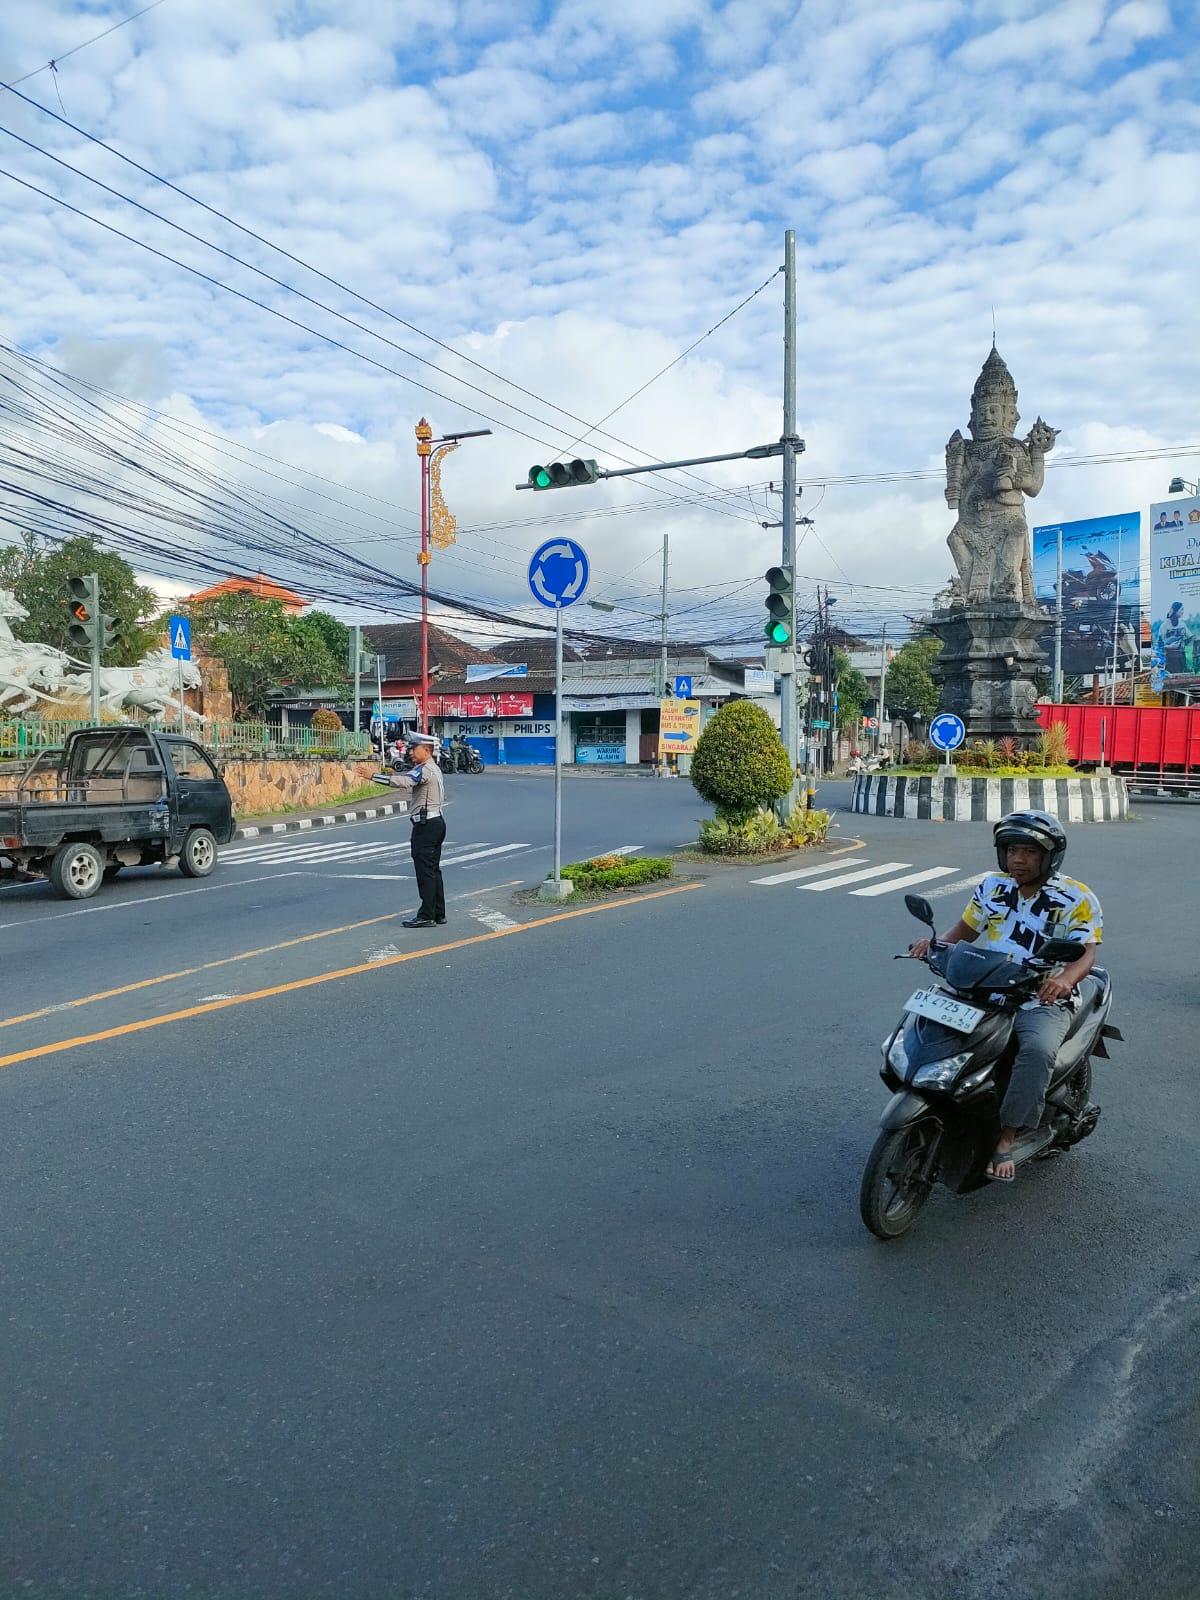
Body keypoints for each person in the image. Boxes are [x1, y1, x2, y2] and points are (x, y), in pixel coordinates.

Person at [908, 810, 1102, 1183]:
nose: (1018, 859)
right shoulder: (992, 887)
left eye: (1028, 851)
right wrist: (935, 945)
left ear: (1049, 856)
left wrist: (1063, 980)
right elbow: (964, 930)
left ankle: (1008, 1136)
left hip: (1040, 996)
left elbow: (1086, 953)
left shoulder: (1076, 897)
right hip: (984, 986)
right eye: (1012, 850)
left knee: (1036, 1049)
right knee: (932, 1019)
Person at [382, 730, 446, 928]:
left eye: (414, 748)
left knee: (425, 871)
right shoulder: (434, 768)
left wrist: (374, 777)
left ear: (426, 750)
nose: (410, 752)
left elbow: (405, 781)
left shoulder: (425, 769)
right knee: (433, 870)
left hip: (426, 826)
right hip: (436, 823)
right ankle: (438, 913)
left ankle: (426, 914)